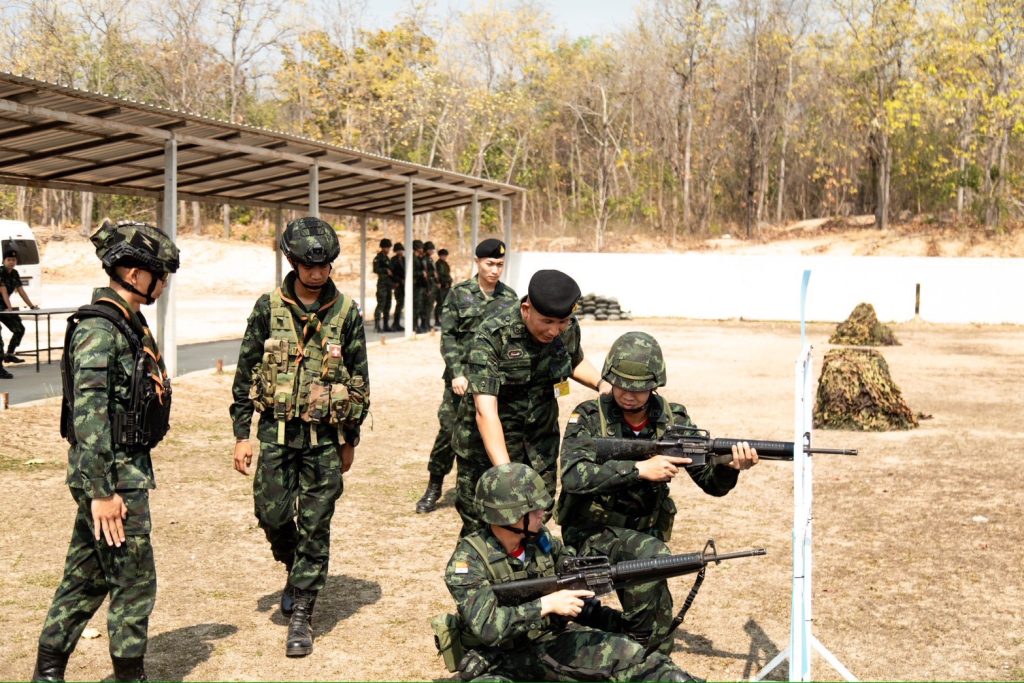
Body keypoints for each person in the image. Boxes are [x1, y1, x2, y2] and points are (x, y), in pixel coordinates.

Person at [32, 220, 180, 683]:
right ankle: (129, 676)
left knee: (87, 576)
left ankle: (48, 671)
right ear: (134, 275)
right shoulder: (101, 329)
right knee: (133, 583)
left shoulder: (128, 323)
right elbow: (89, 415)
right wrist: (102, 491)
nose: (163, 283)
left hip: (117, 470)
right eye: (159, 274)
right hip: (113, 477)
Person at [557, 331, 759, 654]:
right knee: (651, 558)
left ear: (655, 385)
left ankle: (616, 632)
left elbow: (710, 483)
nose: (628, 395)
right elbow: (572, 476)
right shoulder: (589, 417)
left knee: (656, 638)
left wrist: (729, 467)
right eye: (621, 385)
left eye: (638, 388)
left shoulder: (672, 419)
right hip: (592, 532)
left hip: (644, 533)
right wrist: (639, 470)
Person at [230, 216, 370, 658]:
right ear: (292, 262)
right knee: (271, 514)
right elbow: (245, 372)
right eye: (309, 266)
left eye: (324, 265)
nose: (317, 273)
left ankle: (303, 614)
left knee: (316, 523)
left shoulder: (346, 314)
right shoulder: (267, 308)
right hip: (276, 434)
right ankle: (295, 567)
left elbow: (360, 381)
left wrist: (350, 440)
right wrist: (242, 434)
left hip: (324, 440)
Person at [442, 462, 696, 682]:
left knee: (633, 657)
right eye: (534, 510)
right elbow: (488, 627)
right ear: (509, 516)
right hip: (494, 660)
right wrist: (546, 605)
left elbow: (570, 578)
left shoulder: (540, 540)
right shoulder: (467, 563)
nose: (542, 514)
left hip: (548, 642)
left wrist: (614, 616)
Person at [451, 268, 606, 537]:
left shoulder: (568, 328)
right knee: (485, 527)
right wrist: (506, 474)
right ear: (526, 309)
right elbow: (485, 412)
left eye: (562, 322)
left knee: (535, 520)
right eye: (547, 322)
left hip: (539, 444)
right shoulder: (493, 334)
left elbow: (574, 360)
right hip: (487, 448)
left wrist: (602, 384)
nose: (554, 331)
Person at [415, 239, 517, 514]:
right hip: (462, 380)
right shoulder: (459, 294)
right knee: (449, 431)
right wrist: (457, 373)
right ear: (477, 262)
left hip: (493, 382)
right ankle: (434, 485)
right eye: (489, 264)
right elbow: (448, 336)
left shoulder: (509, 298)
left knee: (491, 432)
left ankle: (484, 489)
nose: (495, 270)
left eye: (499, 265)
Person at [1, 247, 39, 368]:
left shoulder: (15, 273)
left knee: (19, 329)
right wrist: (10, 308)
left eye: (13, 260)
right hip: (3, 306)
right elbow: (3, 291)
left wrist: (31, 305)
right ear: (3, 261)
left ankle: (10, 354)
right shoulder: (0, 272)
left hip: (4, 306)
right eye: (9, 260)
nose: (11, 262)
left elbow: (21, 291)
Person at [372, 238, 393, 332]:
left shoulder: (387, 258)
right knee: (381, 304)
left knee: (388, 305)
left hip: (388, 284)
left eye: (389, 247)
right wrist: (385, 270)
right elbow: (375, 269)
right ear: (383, 247)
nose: (388, 249)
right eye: (387, 247)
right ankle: (377, 325)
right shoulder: (378, 257)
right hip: (382, 285)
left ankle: (385, 325)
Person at [411, 239, 430, 333]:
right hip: (416, 286)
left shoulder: (419, 258)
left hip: (421, 285)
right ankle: (414, 326)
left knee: (421, 306)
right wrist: (421, 273)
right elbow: (411, 272)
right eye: (420, 247)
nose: (422, 249)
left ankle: (419, 325)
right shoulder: (412, 258)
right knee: (416, 307)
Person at [433, 247, 452, 327]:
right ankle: (437, 320)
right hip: (441, 286)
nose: (444, 257)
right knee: (440, 303)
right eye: (443, 255)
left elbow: (447, 274)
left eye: (445, 255)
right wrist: (444, 282)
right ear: (440, 256)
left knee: (445, 303)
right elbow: (439, 275)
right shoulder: (438, 264)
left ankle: (443, 319)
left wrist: (449, 282)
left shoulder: (445, 264)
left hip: (446, 286)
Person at [423, 241, 439, 330]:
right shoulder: (425, 259)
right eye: (430, 249)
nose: (432, 251)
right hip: (428, 284)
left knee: (430, 306)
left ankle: (427, 324)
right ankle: (425, 324)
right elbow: (425, 273)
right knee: (427, 306)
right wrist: (432, 274)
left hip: (432, 284)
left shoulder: (430, 259)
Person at [390, 242, 406, 331]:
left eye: (401, 250)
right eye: (398, 250)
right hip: (398, 284)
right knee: (399, 304)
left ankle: (397, 323)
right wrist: (398, 281)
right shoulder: (393, 260)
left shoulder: (404, 259)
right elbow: (391, 273)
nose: (400, 252)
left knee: (402, 304)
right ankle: (395, 323)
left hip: (404, 285)